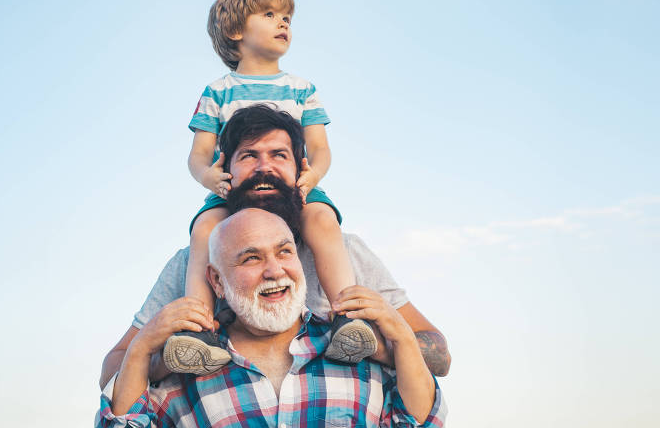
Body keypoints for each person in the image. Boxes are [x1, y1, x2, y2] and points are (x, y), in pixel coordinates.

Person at [100, 106, 451, 388]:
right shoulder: (192, 263)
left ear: (301, 168)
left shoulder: (346, 254)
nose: (264, 167)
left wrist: (382, 344)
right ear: (226, 171)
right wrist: (162, 356)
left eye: (279, 155)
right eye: (249, 156)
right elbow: (110, 374)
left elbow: (440, 356)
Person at [96, 209, 446, 428]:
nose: (275, 270)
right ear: (216, 280)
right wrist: (141, 348)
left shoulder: (355, 350)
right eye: (251, 258)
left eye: (285, 252)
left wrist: (400, 335)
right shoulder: (184, 372)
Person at [170, 0, 377, 374]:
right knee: (205, 230)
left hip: (294, 186)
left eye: (286, 17)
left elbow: (319, 148)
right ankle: (198, 331)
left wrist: (312, 175)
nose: (283, 23)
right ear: (235, 31)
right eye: (269, 15)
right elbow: (198, 154)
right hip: (234, 190)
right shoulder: (218, 91)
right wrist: (209, 178)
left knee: (322, 219)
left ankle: (347, 319)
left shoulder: (302, 88)